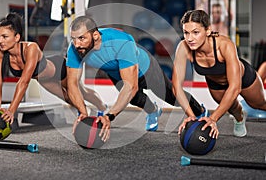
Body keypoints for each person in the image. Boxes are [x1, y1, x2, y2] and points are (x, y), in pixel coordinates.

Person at [66, 16, 207, 142]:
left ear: (95, 35)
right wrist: (82, 113)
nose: (76, 44)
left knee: (172, 97)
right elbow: (72, 84)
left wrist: (109, 117)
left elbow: (130, 87)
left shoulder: (121, 42)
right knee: (135, 99)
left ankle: (200, 110)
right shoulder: (74, 49)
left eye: (82, 38)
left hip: (146, 69)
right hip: (117, 74)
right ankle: (153, 111)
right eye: (73, 39)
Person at [0, 12, 106, 124]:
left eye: (5, 37)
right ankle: (86, 111)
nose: (0, 41)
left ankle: (102, 108)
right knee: (68, 98)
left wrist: (11, 111)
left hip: (59, 68)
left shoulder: (31, 48)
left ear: (17, 37)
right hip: (43, 78)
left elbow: (24, 82)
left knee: (81, 92)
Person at [172, 9, 266, 139]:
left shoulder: (224, 45)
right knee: (232, 108)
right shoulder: (183, 48)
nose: (189, 38)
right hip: (216, 82)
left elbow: (235, 87)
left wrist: (213, 119)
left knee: (259, 105)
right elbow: (176, 87)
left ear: (208, 30)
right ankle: (240, 119)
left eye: (195, 32)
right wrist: (191, 115)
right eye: (186, 33)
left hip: (243, 78)